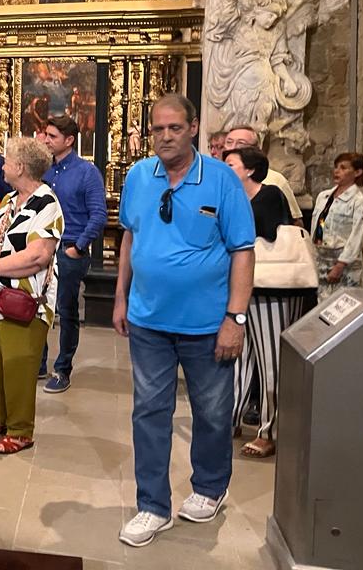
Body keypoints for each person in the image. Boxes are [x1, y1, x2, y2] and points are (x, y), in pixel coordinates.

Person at [113, 94, 254, 548]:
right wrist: (120, 298)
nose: (166, 136)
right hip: (149, 321)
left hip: (207, 325)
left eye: (175, 128)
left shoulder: (220, 181)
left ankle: (210, 487)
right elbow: (130, 238)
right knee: (149, 412)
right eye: (158, 129)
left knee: (212, 413)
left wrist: (235, 317)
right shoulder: (138, 177)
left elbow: (242, 251)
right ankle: (153, 506)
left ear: (193, 128)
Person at [0, 136, 63, 455]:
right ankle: (1, 418)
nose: (3, 165)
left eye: (7, 161)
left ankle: (21, 430)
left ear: (20, 167)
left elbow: (37, 256)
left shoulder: (46, 202)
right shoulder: (8, 200)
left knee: (17, 366)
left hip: (24, 301)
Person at [222, 146, 310, 459]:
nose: (225, 169)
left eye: (231, 164)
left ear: (249, 170)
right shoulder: (231, 199)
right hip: (243, 290)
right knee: (239, 358)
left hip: (273, 290)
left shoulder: (268, 194)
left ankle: (269, 430)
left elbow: (268, 233)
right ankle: (229, 420)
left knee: (271, 361)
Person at [39, 115, 107, 392]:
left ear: (69, 140)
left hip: (69, 248)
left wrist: (78, 247)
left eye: (52, 136)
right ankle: (38, 362)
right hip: (44, 245)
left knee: (66, 311)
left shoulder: (86, 172)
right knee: (38, 305)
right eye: (45, 134)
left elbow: (98, 214)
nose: (46, 140)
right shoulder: (45, 170)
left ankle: (62, 369)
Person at [311, 152, 363, 300]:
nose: (337, 171)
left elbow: (357, 234)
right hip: (322, 257)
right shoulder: (324, 196)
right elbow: (319, 223)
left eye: (343, 168)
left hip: (342, 261)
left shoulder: (358, 200)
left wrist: (341, 264)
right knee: (321, 304)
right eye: (336, 167)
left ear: (357, 172)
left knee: (340, 304)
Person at [223, 126, 302, 225]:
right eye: (229, 142)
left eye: (241, 143)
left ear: (255, 148)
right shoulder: (215, 178)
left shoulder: (275, 181)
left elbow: (295, 222)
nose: (233, 147)